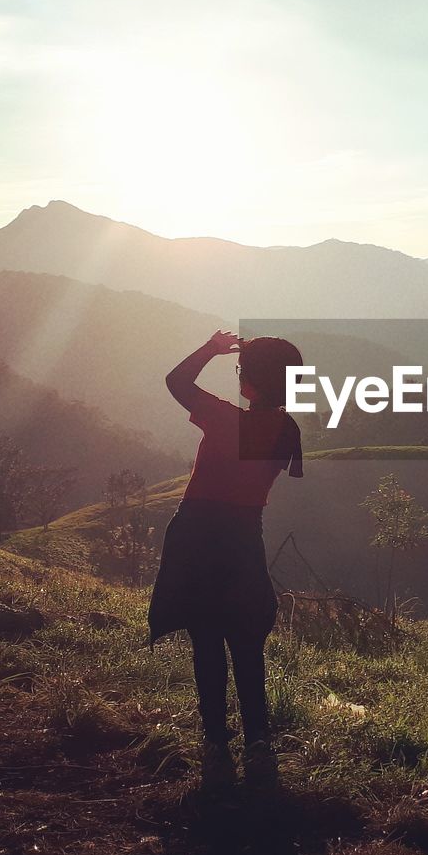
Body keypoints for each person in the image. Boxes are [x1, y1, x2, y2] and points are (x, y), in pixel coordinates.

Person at [148, 330, 304, 784]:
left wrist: (210, 349)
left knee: (207, 639)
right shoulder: (287, 430)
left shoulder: (223, 419)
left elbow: (176, 382)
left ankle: (216, 738)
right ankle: (258, 736)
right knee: (247, 641)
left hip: (198, 535)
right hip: (242, 540)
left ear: (248, 382)